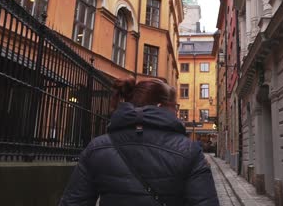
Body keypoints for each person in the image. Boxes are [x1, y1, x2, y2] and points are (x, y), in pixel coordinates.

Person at [59, 78, 219, 206]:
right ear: (160, 106)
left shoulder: (97, 148)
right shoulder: (189, 151)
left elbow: (73, 201)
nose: (176, 112)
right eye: (174, 106)